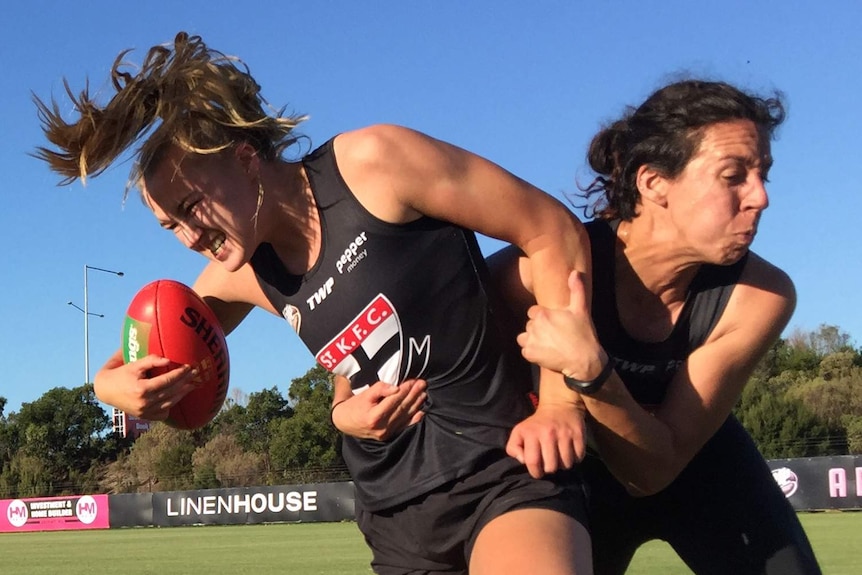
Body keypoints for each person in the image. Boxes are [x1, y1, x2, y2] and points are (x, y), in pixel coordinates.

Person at [34, 32, 594, 575]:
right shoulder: (246, 273)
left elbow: (551, 231)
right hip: (396, 515)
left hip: (505, 468)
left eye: (193, 205)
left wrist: (559, 405)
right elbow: (141, 356)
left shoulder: (374, 164)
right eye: (169, 224)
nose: (188, 236)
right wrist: (112, 390)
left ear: (246, 159)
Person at [515, 79, 823, 574]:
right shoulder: (547, 266)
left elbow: (654, 470)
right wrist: (352, 402)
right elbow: (425, 331)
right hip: (569, 472)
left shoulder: (761, 295)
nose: (760, 197)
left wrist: (592, 373)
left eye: (763, 175)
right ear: (654, 182)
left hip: (694, 463)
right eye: (734, 176)